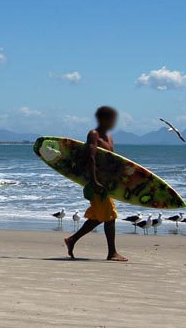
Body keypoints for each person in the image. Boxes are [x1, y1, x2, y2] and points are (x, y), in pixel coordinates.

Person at [64, 106, 128, 261]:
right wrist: (94, 182)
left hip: (106, 184)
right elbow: (91, 158)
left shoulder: (109, 137)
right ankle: (112, 252)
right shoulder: (94, 135)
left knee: (100, 216)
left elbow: (110, 161)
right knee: (110, 216)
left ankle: (72, 240)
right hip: (96, 183)